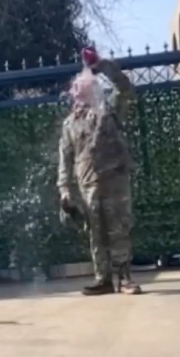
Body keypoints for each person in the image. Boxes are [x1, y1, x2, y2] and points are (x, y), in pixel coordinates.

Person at [57, 47, 141, 295]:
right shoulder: (70, 124)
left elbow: (125, 89)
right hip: (88, 185)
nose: (81, 93)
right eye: (78, 90)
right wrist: (64, 190)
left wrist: (101, 66)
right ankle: (103, 278)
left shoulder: (111, 111)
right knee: (95, 232)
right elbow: (65, 159)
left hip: (115, 180)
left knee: (119, 227)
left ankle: (124, 277)